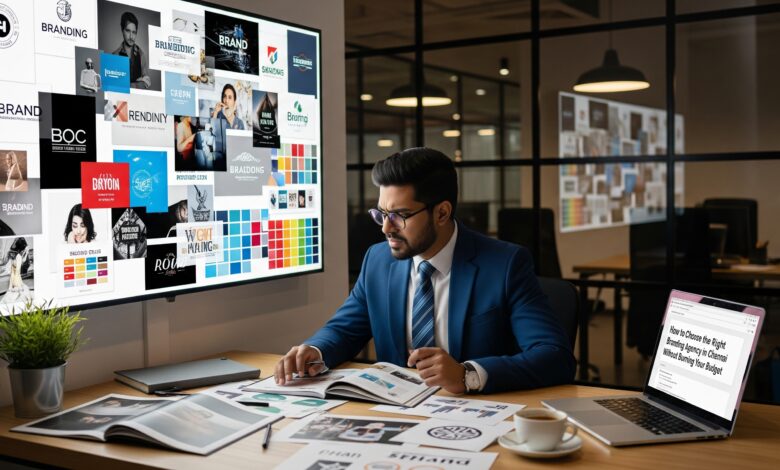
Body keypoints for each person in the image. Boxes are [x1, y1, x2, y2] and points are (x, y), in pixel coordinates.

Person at [275, 148, 575, 394]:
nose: (386, 228)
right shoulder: (378, 261)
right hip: (396, 413)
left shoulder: (505, 265)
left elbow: (554, 356)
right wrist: (316, 350)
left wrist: (467, 374)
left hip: (477, 412)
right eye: (381, 213)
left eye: (400, 215)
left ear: (442, 212)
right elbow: (345, 329)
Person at [112, 11, 151, 89]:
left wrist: (128, 84)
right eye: (128, 31)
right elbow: (115, 86)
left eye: (134, 32)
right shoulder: (115, 56)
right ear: (122, 30)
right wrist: (138, 83)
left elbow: (147, 82)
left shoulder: (141, 54)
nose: (131, 36)